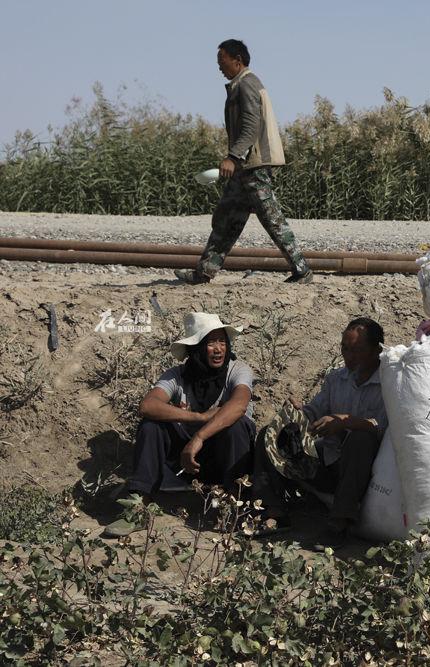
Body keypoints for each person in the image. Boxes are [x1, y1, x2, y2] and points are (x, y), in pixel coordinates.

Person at [103, 312, 256, 537]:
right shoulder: (177, 375)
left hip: (227, 459)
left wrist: (199, 437)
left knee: (236, 425)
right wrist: (200, 418)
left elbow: (239, 405)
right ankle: (138, 507)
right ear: (195, 348)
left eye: (222, 341)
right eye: (210, 342)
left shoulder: (238, 370)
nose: (218, 349)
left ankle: (236, 506)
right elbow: (147, 405)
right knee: (151, 425)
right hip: (188, 462)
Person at [175, 38, 313, 286]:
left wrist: (233, 156)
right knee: (227, 218)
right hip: (246, 167)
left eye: (222, 60)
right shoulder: (243, 83)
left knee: (272, 220)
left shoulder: (247, 85)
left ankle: (302, 270)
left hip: (254, 166)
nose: (219, 66)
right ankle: (204, 272)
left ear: (237, 61)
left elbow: (251, 127)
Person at [253, 318, 387, 546]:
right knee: (272, 432)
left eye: (357, 350)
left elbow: (381, 427)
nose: (349, 356)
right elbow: (315, 411)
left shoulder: (388, 384)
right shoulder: (337, 379)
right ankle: (274, 509)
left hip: (363, 472)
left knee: (361, 438)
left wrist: (346, 422)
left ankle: (339, 522)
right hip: (329, 462)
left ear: (377, 350)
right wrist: (299, 414)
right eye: (345, 348)